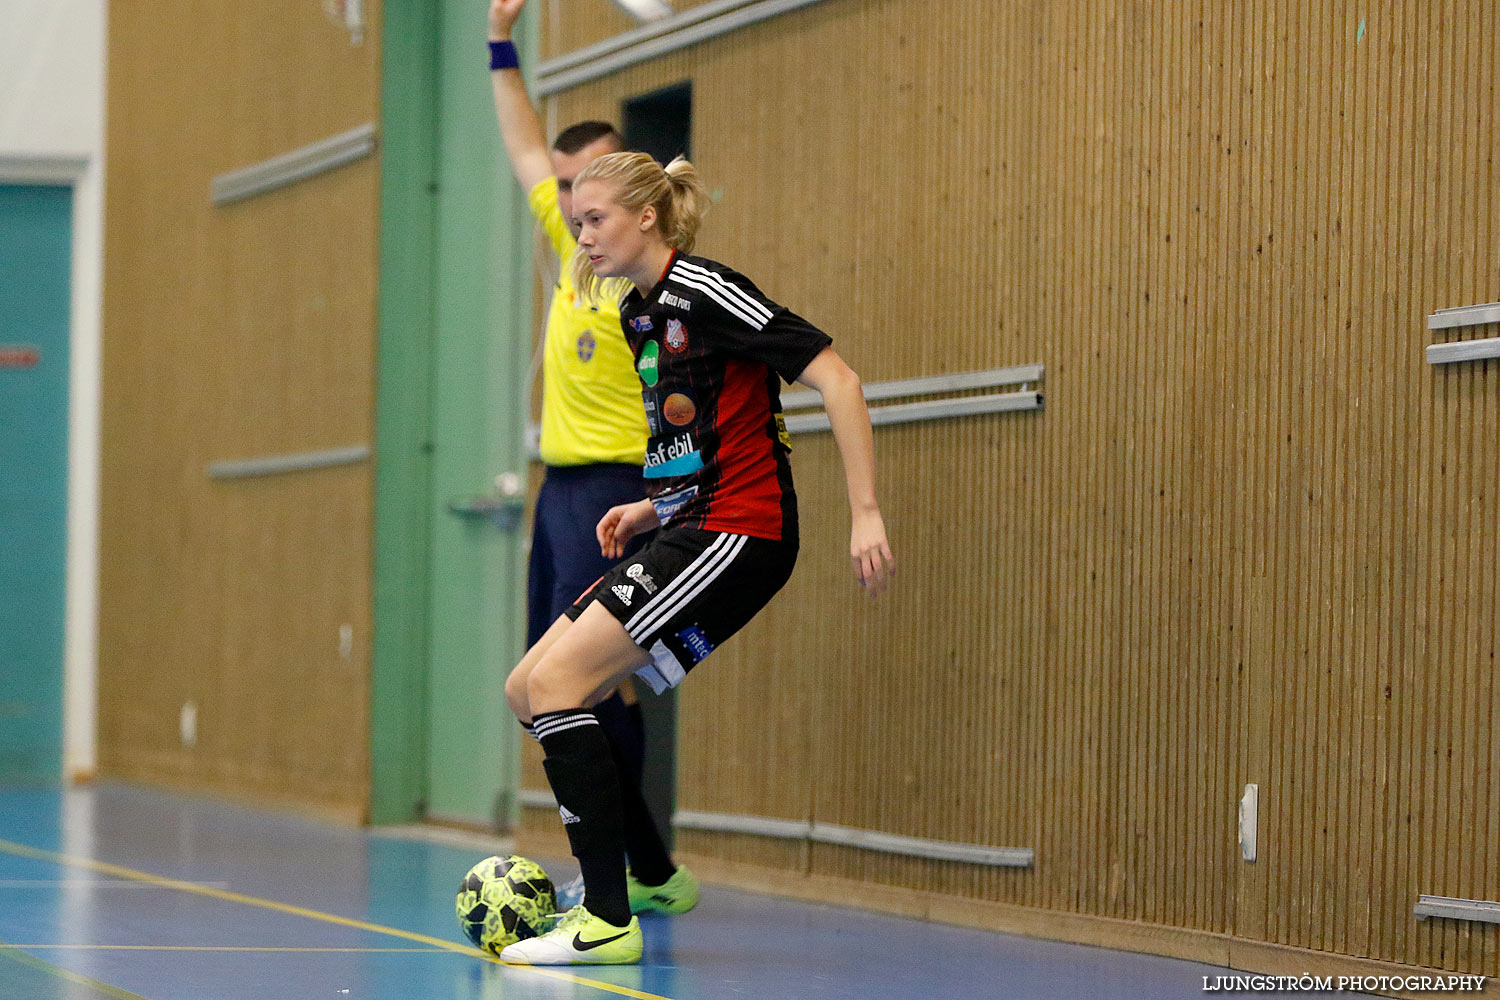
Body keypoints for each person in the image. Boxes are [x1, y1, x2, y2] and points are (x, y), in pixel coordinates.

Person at [498, 149, 894, 966]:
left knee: (558, 684)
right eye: (576, 225)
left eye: (596, 220)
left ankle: (607, 917)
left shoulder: (708, 290)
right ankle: (632, 885)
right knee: (527, 690)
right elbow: (704, 433)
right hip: (690, 525)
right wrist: (649, 504)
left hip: (742, 534)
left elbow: (841, 381)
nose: (584, 238)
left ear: (647, 216)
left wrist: (865, 513)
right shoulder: (637, 315)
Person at [487, 0, 682, 915]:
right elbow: (523, 144)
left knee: (599, 687)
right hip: (559, 489)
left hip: (617, 489)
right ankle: (644, 868)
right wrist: (500, 42)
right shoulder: (573, 249)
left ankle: (634, 876)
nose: (568, 203)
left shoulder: (640, 290)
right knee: (540, 681)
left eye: (587, 191)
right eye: (566, 190)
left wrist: (662, 497)